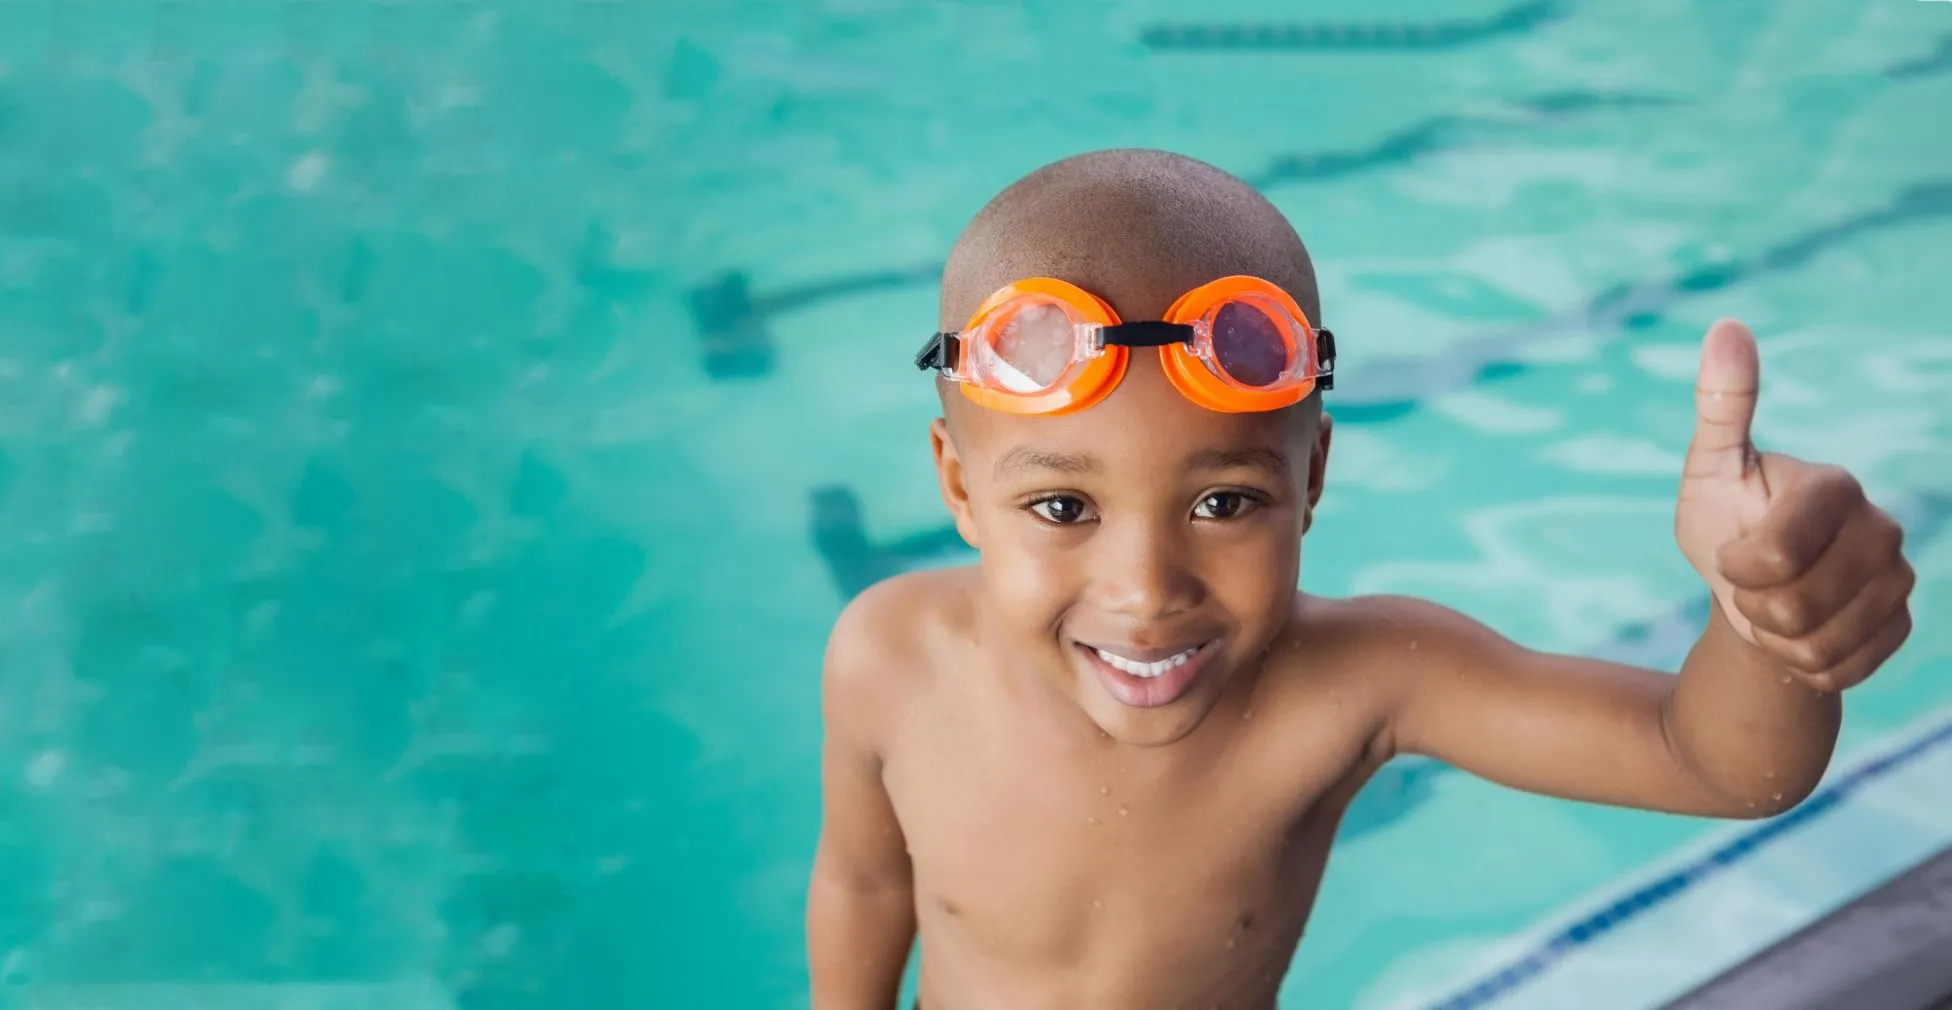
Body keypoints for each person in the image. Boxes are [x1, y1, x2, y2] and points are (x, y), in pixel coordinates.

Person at [804, 149, 1916, 1009]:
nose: (1144, 590)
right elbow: (864, 883)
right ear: (955, 482)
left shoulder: (1357, 681)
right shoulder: (887, 657)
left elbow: (1714, 764)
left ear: (1313, 473)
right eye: (1062, 508)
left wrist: (1765, 626)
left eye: (1223, 502)